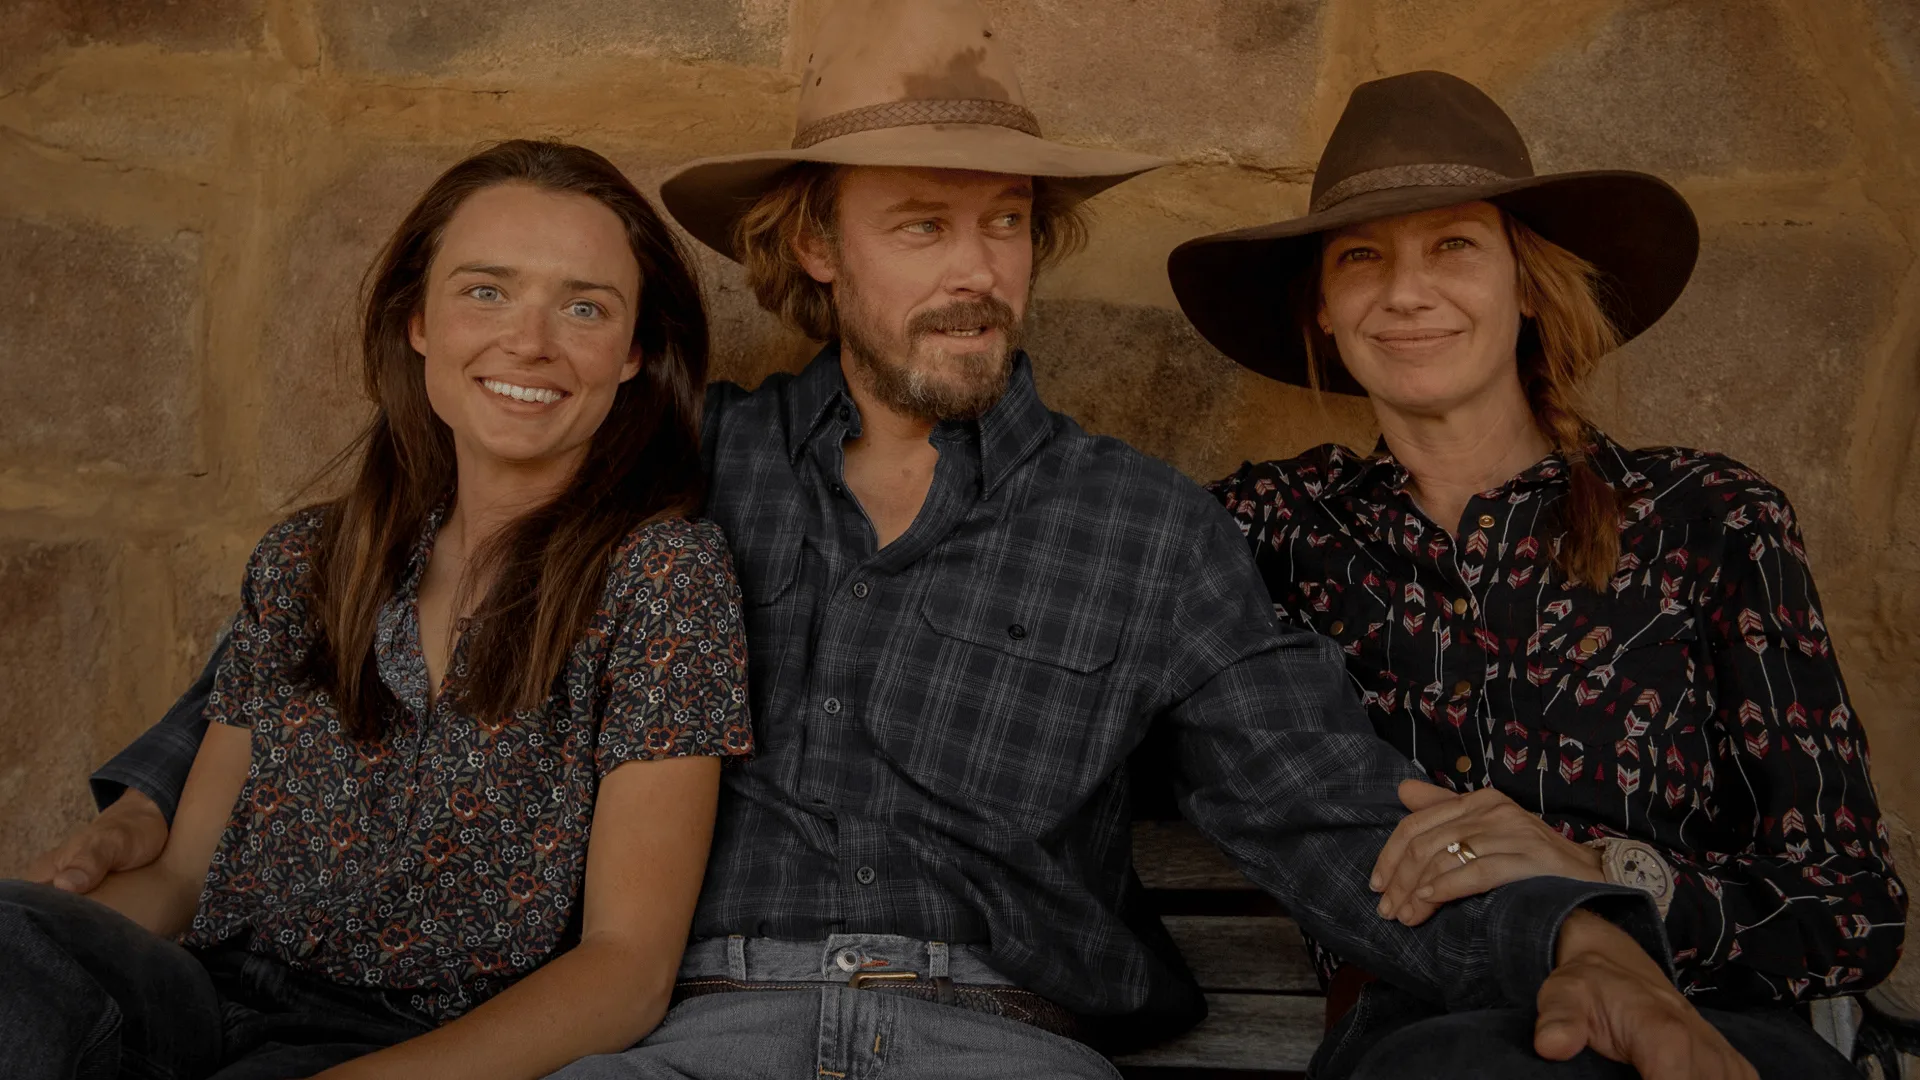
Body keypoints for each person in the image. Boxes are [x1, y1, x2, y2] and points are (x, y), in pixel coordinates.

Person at [30, 6, 1750, 1079]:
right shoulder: (671, 471)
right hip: (683, 1037)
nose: (979, 271)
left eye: (1006, 226)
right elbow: (404, 580)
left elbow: (1329, 811)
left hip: (1000, 1043)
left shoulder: (1140, 529)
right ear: (816, 250)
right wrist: (160, 785)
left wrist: (1580, 940)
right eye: (923, 224)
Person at [1173, 70, 1906, 1079]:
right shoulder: (1266, 528)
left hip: (1708, 1020)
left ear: (1526, 285)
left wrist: (1605, 873)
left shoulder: (1709, 517)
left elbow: (1852, 907)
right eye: (1361, 256)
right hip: (1437, 1029)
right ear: (1326, 309)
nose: (1406, 291)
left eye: (1453, 245)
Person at [4, 139, 752, 1080]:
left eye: (584, 307)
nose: (529, 342)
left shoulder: (662, 579)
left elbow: (625, 971)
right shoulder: (308, 561)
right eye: (486, 291)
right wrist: (34, 944)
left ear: (634, 352)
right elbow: (187, 877)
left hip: (416, 1048)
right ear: (418, 322)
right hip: (199, 1000)